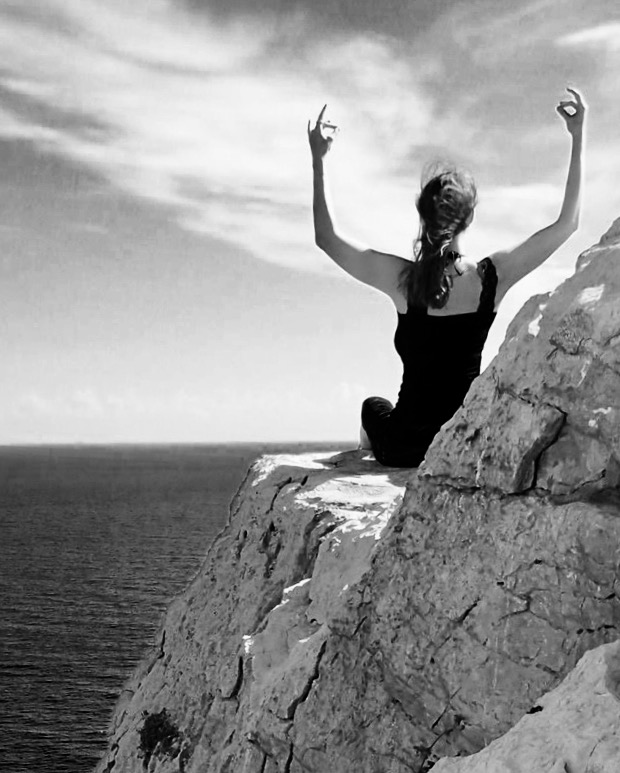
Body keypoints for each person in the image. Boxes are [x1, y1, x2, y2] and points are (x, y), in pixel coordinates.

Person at [308, 88, 586, 467]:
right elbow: (567, 224)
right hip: (459, 448)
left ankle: (361, 460)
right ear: (468, 218)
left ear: (423, 215)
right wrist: (578, 135)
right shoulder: (491, 278)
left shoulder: (404, 280)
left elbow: (326, 238)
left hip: (404, 447)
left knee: (372, 406)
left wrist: (319, 159)